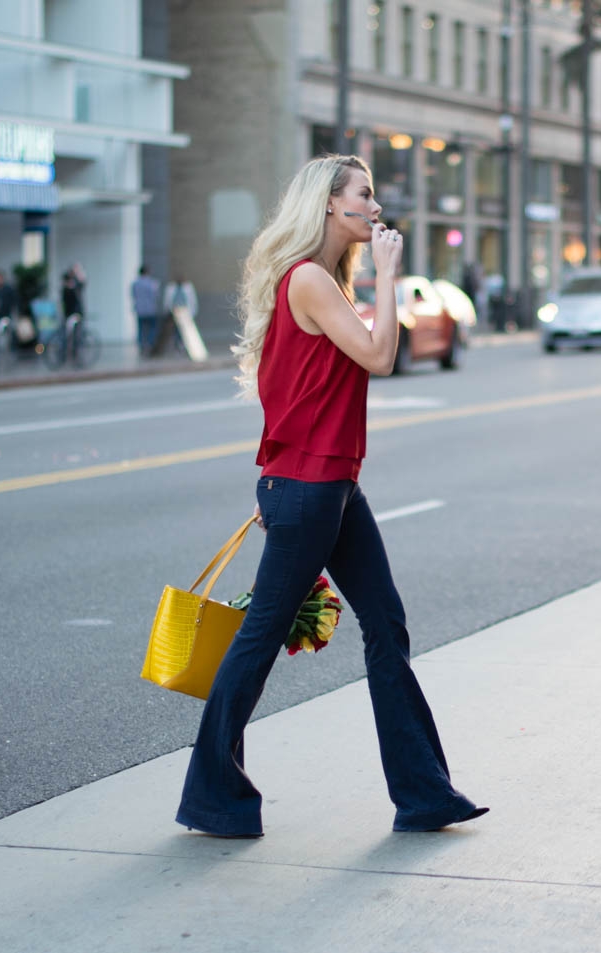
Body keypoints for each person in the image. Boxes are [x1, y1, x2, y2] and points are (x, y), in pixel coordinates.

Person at [176, 154, 487, 837]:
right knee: (259, 637)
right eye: (364, 196)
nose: (376, 207)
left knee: (386, 621)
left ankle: (424, 793)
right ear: (328, 205)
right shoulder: (311, 279)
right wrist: (388, 271)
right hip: (310, 488)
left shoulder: (320, 282)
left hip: (328, 485)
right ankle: (210, 796)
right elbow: (380, 356)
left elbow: (299, 388)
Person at [161, 273, 198, 355]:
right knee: (176, 330)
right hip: (174, 312)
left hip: (185, 312)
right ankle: (177, 345)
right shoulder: (171, 288)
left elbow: (192, 300)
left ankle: (183, 345)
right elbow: (167, 300)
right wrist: (167, 310)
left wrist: (193, 312)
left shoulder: (188, 288)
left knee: (185, 331)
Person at [130, 265, 162, 356]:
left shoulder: (135, 284)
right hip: (150, 309)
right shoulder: (152, 283)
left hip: (139, 309)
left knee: (141, 328)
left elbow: (133, 295)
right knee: (152, 327)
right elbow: (156, 295)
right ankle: (149, 343)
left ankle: (141, 345)